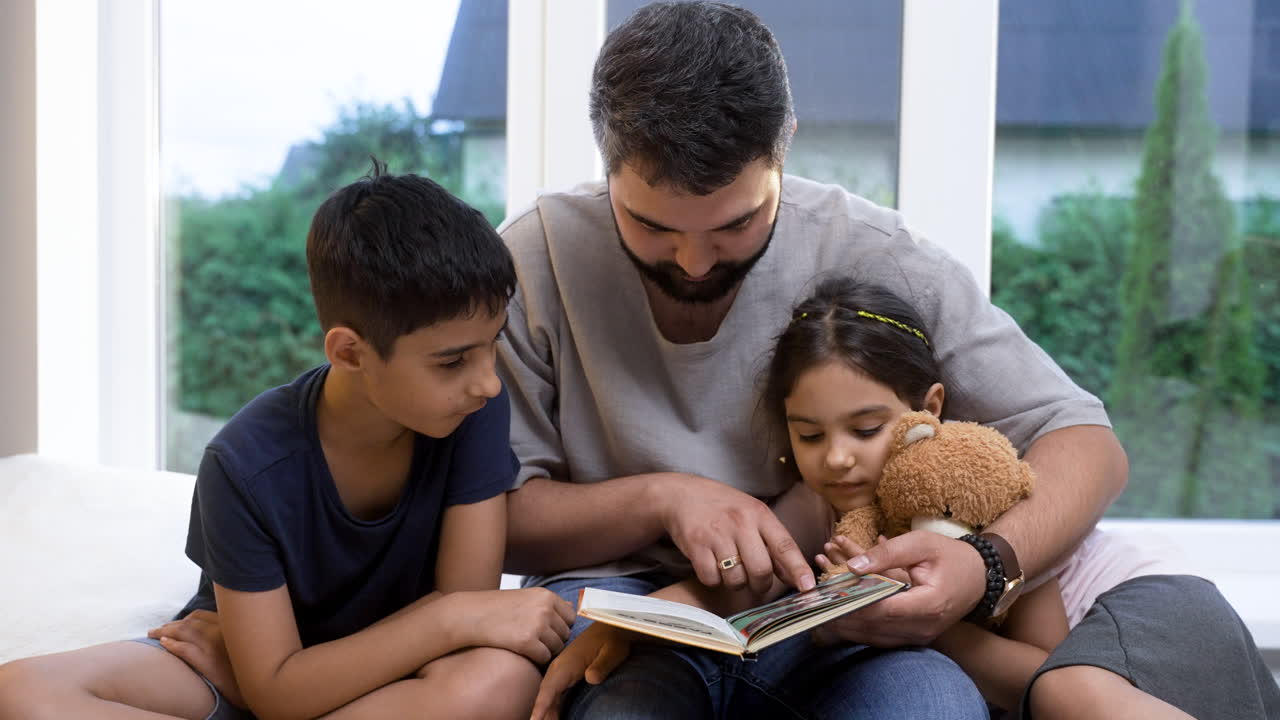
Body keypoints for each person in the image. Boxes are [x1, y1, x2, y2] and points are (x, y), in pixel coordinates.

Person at [496, 2, 1126, 717]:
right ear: (604, 162)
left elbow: (1086, 443)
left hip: (837, 609)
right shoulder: (533, 257)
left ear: (785, 146)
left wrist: (984, 566)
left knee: (929, 707)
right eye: (651, 225)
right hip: (616, 604)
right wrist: (664, 500)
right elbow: (493, 517)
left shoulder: (873, 253)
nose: (695, 261)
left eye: (737, 223)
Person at [0, 165, 576, 720]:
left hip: (375, 676)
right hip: (247, 663)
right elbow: (449, 619)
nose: (488, 381)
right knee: (21, 692)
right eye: (451, 361)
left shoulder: (472, 409)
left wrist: (284, 690)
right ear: (349, 352)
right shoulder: (243, 464)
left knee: (498, 681)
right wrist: (278, 689)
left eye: (491, 344)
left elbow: (467, 620)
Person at [760, 277, 1280, 719]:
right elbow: (764, 591)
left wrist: (907, 620)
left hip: (1144, 609)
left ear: (930, 409)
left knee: (1064, 691)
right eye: (809, 435)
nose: (836, 458)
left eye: (866, 428)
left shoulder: (971, 490)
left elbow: (1040, 666)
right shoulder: (821, 504)